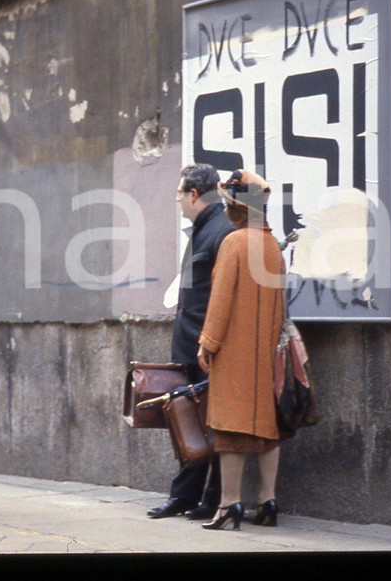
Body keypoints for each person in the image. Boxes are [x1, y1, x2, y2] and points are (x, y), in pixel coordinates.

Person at [197, 170, 286, 530]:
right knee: (266, 428)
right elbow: (280, 305)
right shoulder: (272, 245)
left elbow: (219, 302)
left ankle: (229, 504)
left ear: (236, 206)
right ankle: (268, 500)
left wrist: (207, 343)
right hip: (264, 351)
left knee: (229, 429)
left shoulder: (234, 243)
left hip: (233, 350)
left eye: (228, 203)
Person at [147, 164, 234, 520]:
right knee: (191, 425)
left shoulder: (221, 230)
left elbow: (221, 297)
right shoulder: (204, 228)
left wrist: (209, 344)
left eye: (180, 194)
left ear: (194, 195)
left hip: (206, 350)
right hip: (191, 348)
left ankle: (210, 499)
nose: (178, 201)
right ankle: (186, 496)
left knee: (209, 426)